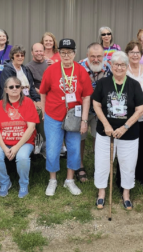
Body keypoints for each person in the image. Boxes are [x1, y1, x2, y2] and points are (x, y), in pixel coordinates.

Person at [92, 51, 143, 210]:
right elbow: (96, 105)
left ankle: (126, 194)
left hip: (128, 134)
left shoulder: (134, 85)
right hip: (105, 132)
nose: (119, 67)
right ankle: (101, 192)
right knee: (102, 163)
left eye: (123, 64)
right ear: (111, 65)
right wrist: (106, 125)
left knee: (128, 164)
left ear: (127, 66)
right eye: (116, 64)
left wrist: (125, 127)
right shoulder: (103, 83)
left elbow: (140, 109)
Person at [39, 38, 93, 196]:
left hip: (74, 116)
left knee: (74, 148)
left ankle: (69, 180)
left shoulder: (81, 71)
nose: (66, 56)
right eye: (63, 52)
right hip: (53, 114)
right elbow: (43, 92)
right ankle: (53, 180)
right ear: (59, 53)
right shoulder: (51, 70)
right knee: (53, 149)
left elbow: (86, 97)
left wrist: (84, 120)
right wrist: (44, 112)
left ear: (75, 53)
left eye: (69, 52)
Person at [0, 77, 40, 198]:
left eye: (17, 86)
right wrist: (5, 148)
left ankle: (23, 184)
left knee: (22, 157)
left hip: (24, 142)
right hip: (4, 141)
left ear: (21, 89)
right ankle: (5, 183)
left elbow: (31, 127)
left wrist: (16, 147)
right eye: (11, 87)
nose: (14, 89)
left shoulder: (28, 102)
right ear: (6, 90)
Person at [77, 42, 112, 182]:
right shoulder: (79, 67)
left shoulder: (109, 67)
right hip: (83, 108)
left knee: (99, 138)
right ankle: (80, 166)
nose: (96, 59)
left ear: (103, 56)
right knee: (80, 137)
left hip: (101, 110)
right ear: (87, 56)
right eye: (93, 56)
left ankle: (99, 166)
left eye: (99, 56)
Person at [124, 40, 143, 192]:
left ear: (141, 54)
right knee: (128, 149)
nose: (135, 55)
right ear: (127, 55)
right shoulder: (124, 71)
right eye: (132, 52)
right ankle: (126, 178)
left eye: (137, 52)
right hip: (128, 118)